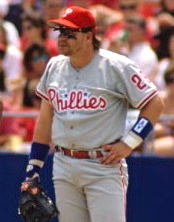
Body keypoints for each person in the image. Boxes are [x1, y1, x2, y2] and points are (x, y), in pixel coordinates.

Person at [21, 6, 164, 222]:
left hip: (102, 166)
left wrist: (130, 143)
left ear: (88, 36)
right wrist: (33, 170)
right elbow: (44, 121)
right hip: (64, 164)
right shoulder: (54, 66)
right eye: (60, 32)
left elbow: (155, 103)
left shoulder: (116, 66)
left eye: (70, 33)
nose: (62, 38)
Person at [154, 64, 174, 156]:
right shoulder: (159, 100)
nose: (172, 85)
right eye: (170, 80)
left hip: (170, 139)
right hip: (155, 137)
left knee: (153, 148)